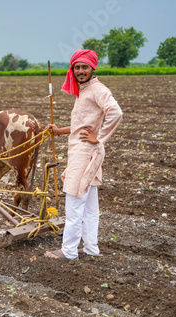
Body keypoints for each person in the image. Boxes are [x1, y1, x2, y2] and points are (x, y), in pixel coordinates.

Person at [45, 49, 123, 260]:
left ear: (92, 68)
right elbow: (81, 125)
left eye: (84, 67)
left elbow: (116, 112)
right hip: (85, 152)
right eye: (77, 67)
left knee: (74, 201)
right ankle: (91, 248)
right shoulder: (83, 91)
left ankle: (68, 251)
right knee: (89, 207)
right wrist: (59, 130)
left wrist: (99, 138)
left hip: (85, 153)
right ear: (73, 69)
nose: (80, 71)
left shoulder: (97, 89)